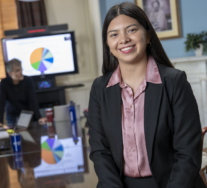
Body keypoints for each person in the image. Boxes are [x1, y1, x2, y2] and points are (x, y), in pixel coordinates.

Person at [88, 2, 205, 188]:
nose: (124, 39)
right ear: (108, 44)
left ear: (148, 35)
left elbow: (188, 153)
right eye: (114, 34)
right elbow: (99, 151)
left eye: (131, 30)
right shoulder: (99, 88)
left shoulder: (175, 82)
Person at [0, 58, 47, 126]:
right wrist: (0, 121)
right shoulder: (4, 83)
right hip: (12, 114)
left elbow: (33, 100)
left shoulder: (28, 81)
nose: (21, 73)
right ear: (10, 73)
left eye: (21, 69)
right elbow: (1, 103)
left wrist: (39, 117)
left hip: (26, 113)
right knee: (13, 133)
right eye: (17, 71)